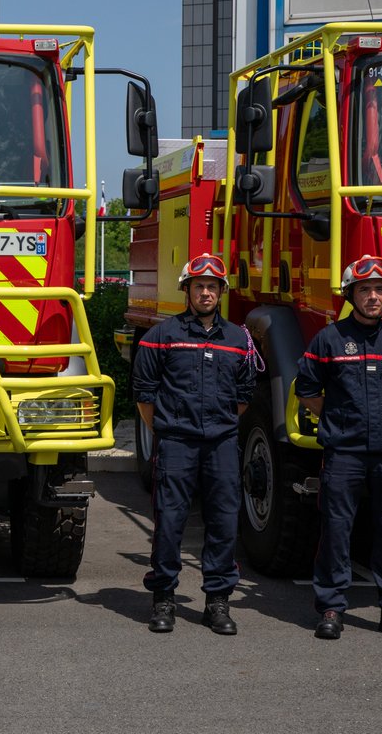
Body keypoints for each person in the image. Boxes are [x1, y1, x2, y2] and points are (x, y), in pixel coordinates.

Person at [295, 254, 382, 642]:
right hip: (344, 454)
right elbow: (306, 389)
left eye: (378, 289)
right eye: (364, 290)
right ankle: (331, 609)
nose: (373, 296)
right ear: (350, 295)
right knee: (336, 530)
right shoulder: (329, 338)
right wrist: (339, 417)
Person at [132, 253, 259, 635]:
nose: (206, 292)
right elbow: (144, 395)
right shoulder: (161, 336)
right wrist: (169, 432)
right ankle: (164, 599)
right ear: (186, 289)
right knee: (169, 522)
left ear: (221, 292)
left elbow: (244, 394)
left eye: (212, 286)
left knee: (222, 522)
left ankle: (217, 603)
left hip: (221, 444)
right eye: (199, 286)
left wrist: (216, 427)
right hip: (176, 444)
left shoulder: (239, 339)